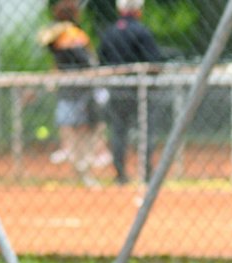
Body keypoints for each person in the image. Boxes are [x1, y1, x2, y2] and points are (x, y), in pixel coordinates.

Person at [38, 0, 110, 186]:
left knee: (80, 126)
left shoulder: (67, 34)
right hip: (78, 89)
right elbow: (88, 60)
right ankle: (78, 160)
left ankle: (80, 161)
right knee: (79, 127)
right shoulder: (65, 33)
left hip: (76, 89)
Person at [98, 0, 163, 184]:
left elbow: (102, 58)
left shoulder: (109, 32)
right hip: (140, 89)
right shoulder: (141, 31)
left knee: (118, 131)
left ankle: (120, 175)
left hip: (117, 88)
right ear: (138, 10)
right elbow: (153, 61)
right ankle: (146, 173)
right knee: (146, 131)